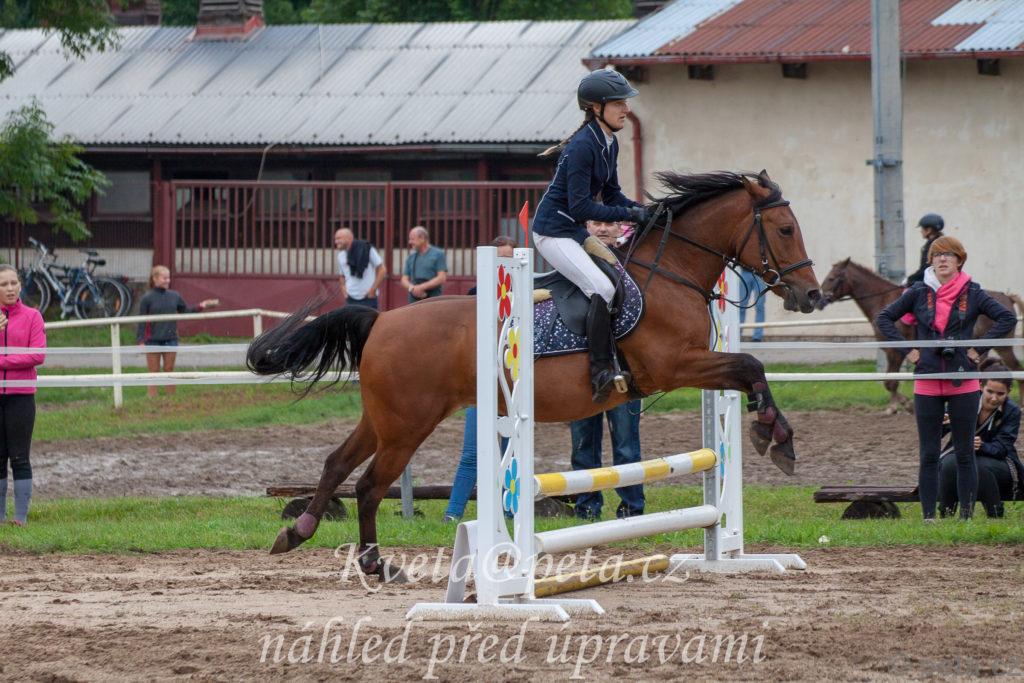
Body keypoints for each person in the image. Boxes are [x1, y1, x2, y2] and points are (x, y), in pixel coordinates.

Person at [876, 236, 1016, 520]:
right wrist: (909, 351)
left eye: (949, 255)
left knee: (964, 453)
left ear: (959, 260)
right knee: (928, 455)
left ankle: (965, 518)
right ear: (931, 260)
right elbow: (884, 319)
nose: (942, 259)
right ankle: (929, 518)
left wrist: (978, 349)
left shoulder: (973, 292)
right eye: (937, 255)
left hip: (963, 381)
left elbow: (1007, 318)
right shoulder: (918, 291)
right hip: (927, 380)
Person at [532, 68, 649, 403]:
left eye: (625, 103)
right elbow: (582, 206)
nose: (626, 109)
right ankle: (599, 370)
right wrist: (630, 215)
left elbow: (612, 195)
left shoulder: (608, 142)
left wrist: (644, 209)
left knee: (620, 279)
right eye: (619, 103)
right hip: (553, 232)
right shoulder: (583, 146)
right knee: (601, 287)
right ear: (596, 107)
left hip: (572, 230)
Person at [567, 219, 645, 519]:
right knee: (582, 445)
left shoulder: (631, 266)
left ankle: (632, 508)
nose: (601, 229)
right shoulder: (571, 262)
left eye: (608, 224)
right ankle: (586, 507)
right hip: (581, 371)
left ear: (620, 228)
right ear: (586, 226)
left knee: (626, 446)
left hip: (624, 370)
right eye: (596, 223)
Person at [444, 236, 517, 522]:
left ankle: (511, 511)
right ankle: (452, 514)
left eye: (509, 259)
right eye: (500, 259)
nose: (505, 264)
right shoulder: (476, 294)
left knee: (511, 451)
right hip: (482, 383)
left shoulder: (525, 292)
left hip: (513, 385)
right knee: (471, 454)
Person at [939, 358, 1023, 518]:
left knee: (977, 466)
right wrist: (942, 422)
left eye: (1000, 394)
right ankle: (946, 515)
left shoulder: (1012, 411)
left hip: (1001, 463)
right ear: (980, 385)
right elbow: (936, 434)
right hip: (961, 456)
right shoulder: (962, 401)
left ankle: (995, 514)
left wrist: (981, 445)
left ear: (1009, 391)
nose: (994, 398)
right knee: (948, 464)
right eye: (990, 391)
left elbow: (1003, 448)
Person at [0, 265, 45, 526]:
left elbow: (37, 355)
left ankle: (20, 517)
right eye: (3, 284)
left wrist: (2, 361)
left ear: (20, 285)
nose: (10, 288)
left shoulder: (33, 316)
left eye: (13, 283)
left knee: (19, 457)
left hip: (21, 396)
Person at [136, 265, 219, 398]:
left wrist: (201, 306)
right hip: (152, 340)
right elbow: (141, 320)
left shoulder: (175, 296)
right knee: (153, 371)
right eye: (164, 278)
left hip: (171, 339)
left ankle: (171, 398)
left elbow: (185, 311)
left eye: (168, 278)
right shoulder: (147, 298)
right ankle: (152, 397)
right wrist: (140, 340)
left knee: (169, 369)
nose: (167, 280)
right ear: (155, 278)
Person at [334, 227, 387, 309]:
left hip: (368, 298)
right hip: (350, 299)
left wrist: (373, 290)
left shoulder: (366, 249)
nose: (336, 241)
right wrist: (345, 292)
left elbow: (382, 270)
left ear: (349, 238)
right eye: (335, 239)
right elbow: (342, 276)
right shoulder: (341, 255)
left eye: (339, 238)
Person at [401, 226, 447, 304]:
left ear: (422, 238)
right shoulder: (411, 257)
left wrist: (421, 287)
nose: (410, 242)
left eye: (412, 239)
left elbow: (441, 278)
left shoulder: (438, 254)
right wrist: (412, 288)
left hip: (433, 300)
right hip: (414, 300)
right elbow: (404, 279)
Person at [905, 213, 944, 285]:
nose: (921, 231)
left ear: (929, 230)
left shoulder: (933, 245)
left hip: (934, 281)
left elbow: (926, 269)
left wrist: (910, 279)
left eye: (922, 228)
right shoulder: (940, 242)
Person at [738, 267, 767, 342]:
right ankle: (737, 335)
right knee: (741, 306)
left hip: (759, 273)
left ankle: (757, 337)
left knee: (760, 306)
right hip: (745, 272)